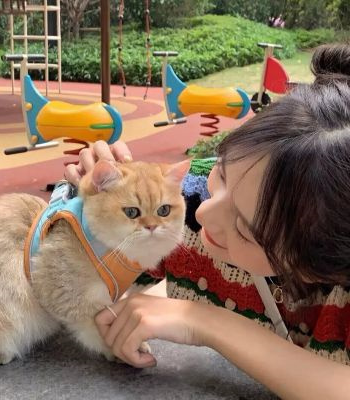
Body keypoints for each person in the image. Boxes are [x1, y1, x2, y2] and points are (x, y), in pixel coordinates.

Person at [64, 44, 350, 399]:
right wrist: (90, 200)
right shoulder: (186, 196)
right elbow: (67, 266)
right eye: (223, 173)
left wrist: (201, 320)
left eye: (244, 228)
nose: (202, 214)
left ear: (314, 267)